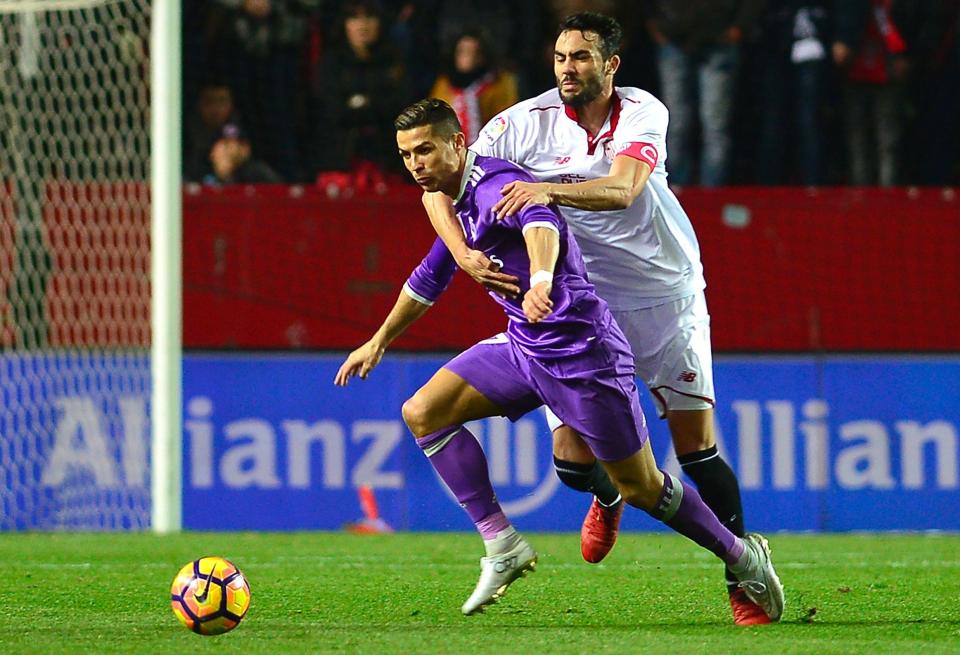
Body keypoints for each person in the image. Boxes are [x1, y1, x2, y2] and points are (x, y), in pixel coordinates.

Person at [335, 98, 784, 620]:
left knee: (640, 486)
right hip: (526, 347)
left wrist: (542, 281)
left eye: (425, 150)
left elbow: (540, 223)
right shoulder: (451, 197)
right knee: (423, 413)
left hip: (584, 353)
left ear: (458, 143)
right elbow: (430, 275)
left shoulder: (494, 185)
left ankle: (741, 554)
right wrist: (380, 340)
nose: (415, 163)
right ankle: (503, 545)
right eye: (406, 154)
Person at [421, 12, 767, 625]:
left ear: (610, 65)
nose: (567, 68)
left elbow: (624, 188)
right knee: (572, 465)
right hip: (584, 309)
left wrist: (548, 191)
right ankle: (608, 494)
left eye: (581, 57)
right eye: (559, 57)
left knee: (695, 450)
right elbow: (442, 182)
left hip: (665, 296)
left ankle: (742, 572)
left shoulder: (641, 112)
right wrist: (462, 252)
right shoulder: (519, 126)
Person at [645, 0, 763, 186]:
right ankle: (675, 191)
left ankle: (711, 194)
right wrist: (654, 24)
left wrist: (740, 26)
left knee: (714, 123)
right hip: (674, 38)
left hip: (719, 39)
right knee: (675, 122)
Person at [429, 30, 519, 144]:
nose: (466, 57)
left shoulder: (499, 82)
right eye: (461, 51)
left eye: (473, 52)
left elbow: (507, 120)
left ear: (482, 56)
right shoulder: (444, 84)